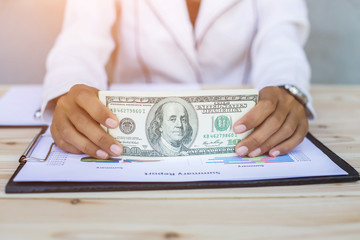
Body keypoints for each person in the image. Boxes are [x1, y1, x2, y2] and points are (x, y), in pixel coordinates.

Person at [42, 0, 315, 160]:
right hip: (131, 137)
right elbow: (81, 39)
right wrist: (69, 90)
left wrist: (286, 87)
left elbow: (280, 38)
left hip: (242, 132)